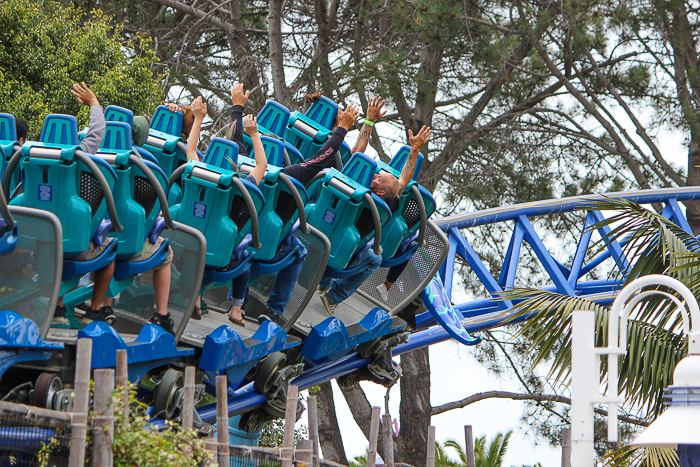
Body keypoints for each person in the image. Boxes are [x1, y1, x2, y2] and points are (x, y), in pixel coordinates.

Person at [317, 124, 432, 316]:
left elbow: (357, 154)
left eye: (380, 178)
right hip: (339, 253)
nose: (376, 174)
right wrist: (414, 150)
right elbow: (401, 182)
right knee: (375, 256)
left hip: (321, 235)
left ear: (380, 192)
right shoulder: (388, 205)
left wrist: (369, 122)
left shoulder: (355, 186)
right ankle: (332, 297)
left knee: (366, 251)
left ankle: (325, 285)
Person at [186, 92, 268, 327]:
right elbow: (262, 165)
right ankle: (236, 308)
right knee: (246, 250)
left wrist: (199, 118)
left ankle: (197, 299)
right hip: (222, 257)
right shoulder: (242, 185)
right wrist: (254, 135)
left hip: (190, 248)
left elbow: (191, 150)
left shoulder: (198, 173)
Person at [53, 83, 116, 325]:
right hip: (71, 244)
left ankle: (58, 307)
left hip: (38, 241)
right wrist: (94, 104)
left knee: (53, 244)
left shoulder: (28, 157)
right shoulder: (76, 158)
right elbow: (96, 133)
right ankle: (95, 310)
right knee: (108, 248)